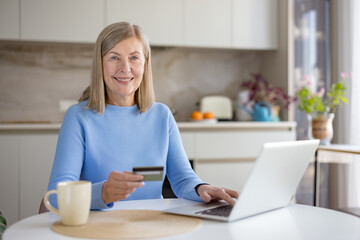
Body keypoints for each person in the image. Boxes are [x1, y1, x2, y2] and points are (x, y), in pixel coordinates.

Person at [47, 22, 239, 210]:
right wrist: (103, 193)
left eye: (134, 58)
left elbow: (183, 179)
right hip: (99, 227)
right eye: (114, 58)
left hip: (151, 225)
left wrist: (202, 189)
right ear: (100, 63)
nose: (125, 68)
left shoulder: (162, 116)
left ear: (145, 64)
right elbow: (56, 196)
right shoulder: (78, 117)